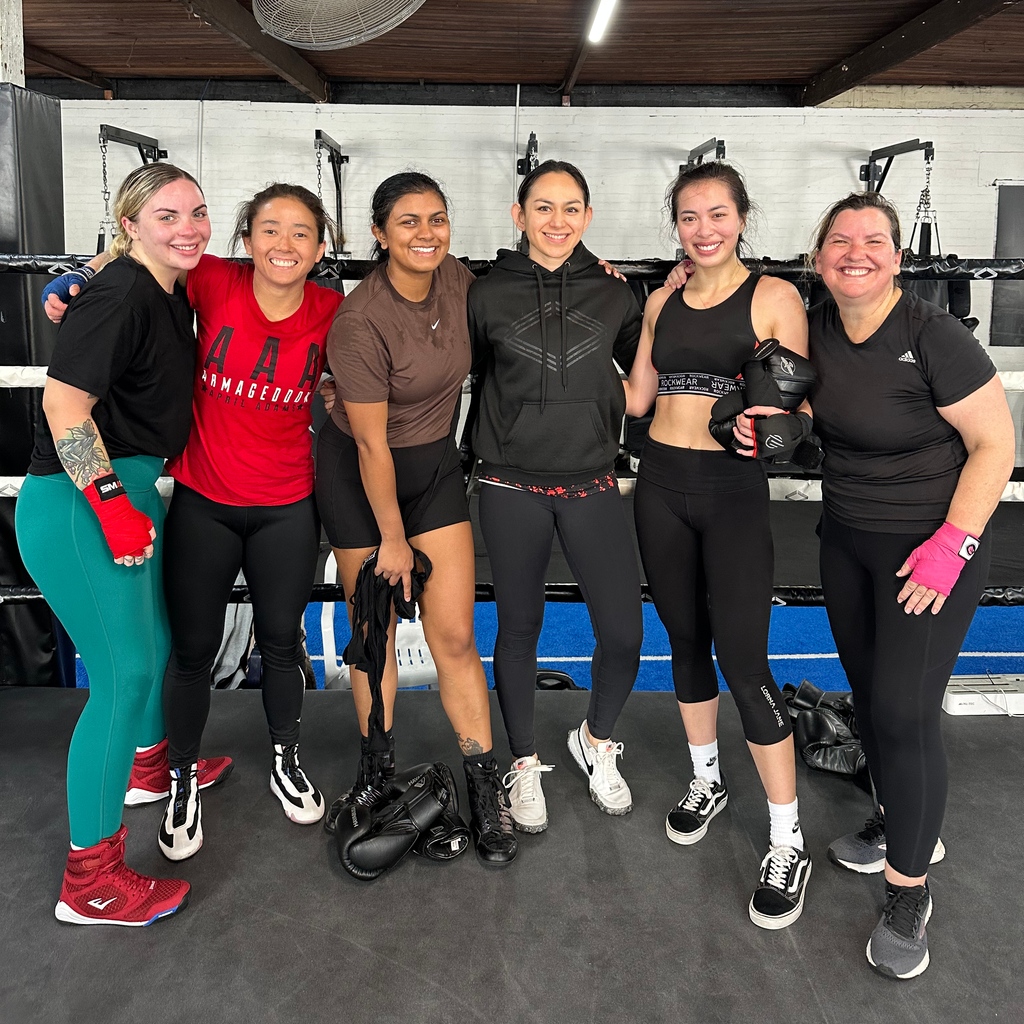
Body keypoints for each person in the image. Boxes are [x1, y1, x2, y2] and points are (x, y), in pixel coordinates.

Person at [44, 184, 341, 861]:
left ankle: (286, 758)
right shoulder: (212, 279)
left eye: (301, 232)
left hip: (287, 505)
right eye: (270, 229)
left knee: (280, 642)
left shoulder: (333, 310)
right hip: (206, 501)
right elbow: (140, 251)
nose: (284, 244)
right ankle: (179, 778)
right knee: (190, 651)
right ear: (246, 240)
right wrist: (79, 276)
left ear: (321, 247)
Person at [793, 191, 1014, 977]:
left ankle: (909, 890)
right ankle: (897, 820)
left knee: (903, 711)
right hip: (847, 542)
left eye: (874, 240)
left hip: (930, 551)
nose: (856, 252)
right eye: (841, 240)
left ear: (897, 255)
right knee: (868, 696)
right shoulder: (815, 329)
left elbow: (995, 444)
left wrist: (953, 544)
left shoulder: (933, 335)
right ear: (819, 256)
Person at [17, 163, 209, 925]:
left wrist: (80, 269)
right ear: (131, 223)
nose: (188, 228)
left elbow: (117, 259)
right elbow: (64, 406)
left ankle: (149, 769)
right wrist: (109, 504)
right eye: (167, 216)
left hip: (124, 490)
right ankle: (90, 881)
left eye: (196, 212)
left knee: (152, 646)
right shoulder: (121, 296)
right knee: (124, 677)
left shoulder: (159, 281)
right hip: (80, 503)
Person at [623, 161, 813, 929]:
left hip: (731, 493)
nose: (703, 230)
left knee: (745, 659)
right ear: (675, 224)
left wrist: (772, 425)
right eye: (689, 217)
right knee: (685, 642)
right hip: (659, 485)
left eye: (718, 214)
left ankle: (787, 838)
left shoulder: (774, 297)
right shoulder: (660, 298)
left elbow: (796, 410)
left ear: (742, 217)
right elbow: (637, 398)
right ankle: (707, 778)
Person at [316, 171, 517, 865]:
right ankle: (376, 773)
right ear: (379, 233)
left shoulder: (457, 280)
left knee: (455, 634)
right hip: (359, 472)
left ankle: (484, 787)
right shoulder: (360, 321)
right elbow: (371, 445)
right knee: (373, 636)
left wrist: (599, 269)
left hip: (431, 467)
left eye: (437, 219)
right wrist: (392, 541)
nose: (426, 233)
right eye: (408, 222)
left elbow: (524, 281)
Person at [467, 160, 643, 831]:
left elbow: (651, 360)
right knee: (519, 629)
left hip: (591, 480)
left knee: (623, 633)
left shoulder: (615, 294)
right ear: (519, 215)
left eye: (572, 208)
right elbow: (460, 370)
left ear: (588, 217)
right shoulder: (485, 294)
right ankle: (523, 760)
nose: (557, 221)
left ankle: (595, 740)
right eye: (543, 207)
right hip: (509, 483)